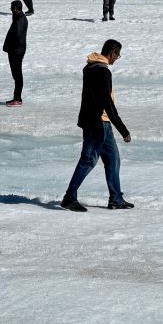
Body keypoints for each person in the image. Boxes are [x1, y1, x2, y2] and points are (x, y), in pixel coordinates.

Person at [62, 39, 132, 211]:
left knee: (113, 159)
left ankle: (116, 198)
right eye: (118, 55)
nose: (117, 58)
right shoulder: (103, 72)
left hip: (96, 121)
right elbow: (107, 103)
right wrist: (123, 130)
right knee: (88, 160)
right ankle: (69, 197)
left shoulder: (90, 68)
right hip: (98, 122)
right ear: (112, 53)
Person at [3, 1, 28, 106]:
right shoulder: (19, 17)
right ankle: (17, 98)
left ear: (16, 9)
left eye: (12, 9)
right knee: (16, 75)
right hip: (16, 50)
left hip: (16, 51)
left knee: (17, 75)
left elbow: (16, 36)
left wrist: (10, 47)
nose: (11, 11)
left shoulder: (20, 20)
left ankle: (17, 99)